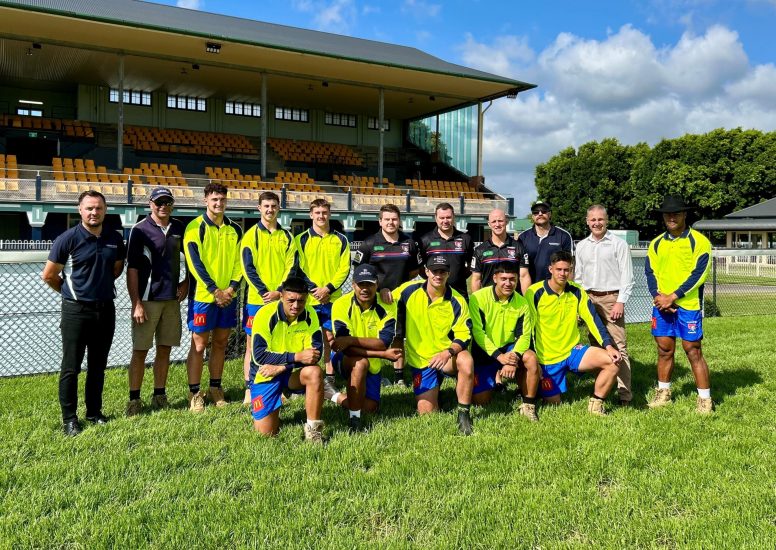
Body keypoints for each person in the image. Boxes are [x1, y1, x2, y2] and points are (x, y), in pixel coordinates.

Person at [41, 190, 126, 436]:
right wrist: (71, 293)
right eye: (89, 208)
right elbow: (48, 275)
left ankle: (94, 412)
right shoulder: (67, 239)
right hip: (76, 311)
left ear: (105, 210)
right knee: (71, 367)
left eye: (98, 208)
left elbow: (116, 269)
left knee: (98, 365)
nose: (93, 212)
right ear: (80, 210)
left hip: (105, 309)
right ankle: (69, 419)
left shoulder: (114, 238)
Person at [524, 250, 621, 416]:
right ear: (550, 269)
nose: (563, 273)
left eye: (567, 270)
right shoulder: (534, 292)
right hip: (547, 358)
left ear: (571, 271)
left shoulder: (577, 291)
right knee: (554, 403)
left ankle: (596, 404)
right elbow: (528, 329)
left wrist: (608, 345)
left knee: (612, 362)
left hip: (572, 351)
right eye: (559, 269)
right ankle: (539, 387)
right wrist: (534, 362)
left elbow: (593, 320)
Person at [645, 195, 713, 413]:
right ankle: (664, 393)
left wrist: (673, 296)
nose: (671, 217)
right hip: (662, 305)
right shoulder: (656, 244)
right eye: (667, 214)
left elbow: (699, 274)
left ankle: (705, 399)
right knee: (664, 349)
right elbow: (650, 272)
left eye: (676, 213)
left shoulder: (699, 242)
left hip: (687, 305)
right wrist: (658, 297)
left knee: (692, 350)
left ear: (685, 214)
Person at [395, 255, 475, 435]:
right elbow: (385, 298)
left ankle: (463, 414)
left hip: (447, 358)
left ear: (448, 274)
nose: (438, 275)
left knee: (466, 360)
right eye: (434, 271)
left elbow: (465, 334)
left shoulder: (457, 300)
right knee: (427, 414)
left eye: (443, 272)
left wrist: (447, 352)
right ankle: (437, 388)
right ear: (426, 272)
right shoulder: (408, 291)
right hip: (422, 360)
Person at [125, 187, 188, 416]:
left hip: (171, 299)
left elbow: (190, 258)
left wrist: (187, 282)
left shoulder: (179, 227)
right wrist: (136, 302)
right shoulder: (139, 230)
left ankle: (159, 394)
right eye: (158, 202)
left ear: (172, 204)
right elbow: (131, 268)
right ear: (150, 203)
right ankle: (134, 399)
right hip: (148, 299)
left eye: (167, 202)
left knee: (164, 349)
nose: (163, 206)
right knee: (140, 350)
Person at [183, 183, 243, 413]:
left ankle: (216, 388)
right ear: (205, 200)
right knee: (198, 345)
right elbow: (194, 262)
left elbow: (240, 262)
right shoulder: (194, 228)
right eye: (214, 199)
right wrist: (214, 290)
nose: (218, 203)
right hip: (203, 297)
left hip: (229, 296)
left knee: (220, 343)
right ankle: (195, 393)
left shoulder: (234, 229)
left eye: (222, 199)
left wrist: (231, 288)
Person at [248, 276, 324, 442]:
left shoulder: (311, 314)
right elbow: (259, 356)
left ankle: (313, 431)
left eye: (301, 301)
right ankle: (272, 410)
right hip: (265, 374)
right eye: (291, 300)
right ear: (281, 296)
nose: (296, 306)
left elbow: (315, 354)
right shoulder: (264, 315)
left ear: (307, 299)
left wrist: (282, 367)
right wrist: (296, 357)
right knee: (266, 434)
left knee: (315, 372)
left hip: (290, 373)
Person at [328, 264, 402, 432]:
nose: (365, 289)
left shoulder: (387, 305)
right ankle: (355, 420)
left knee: (371, 407)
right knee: (360, 363)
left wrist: (351, 339)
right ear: (353, 285)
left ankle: (334, 395)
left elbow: (383, 342)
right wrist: (383, 355)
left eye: (369, 284)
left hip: (373, 362)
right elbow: (344, 348)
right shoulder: (340, 304)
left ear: (377, 284)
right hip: (345, 359)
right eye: (361, 284)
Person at [574, 204, 635, 406]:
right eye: (593, 220)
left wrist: (620, 301)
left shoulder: (618, 244)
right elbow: (579, 278)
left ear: (606, 221)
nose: (597, 223)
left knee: (618, 346)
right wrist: (579, 305)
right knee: (597, 347)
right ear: (587, 221)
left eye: (600, 219)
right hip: (589, 299)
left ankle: (625, 395)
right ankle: (602, 390)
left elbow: (627, 277)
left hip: (611, 299)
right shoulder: (581, 246)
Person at [354, 203, 420, 386]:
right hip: (375, 299)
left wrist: (399, 290)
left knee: (399, 336)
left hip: (400, 299)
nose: (391, 223)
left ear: (399, 221)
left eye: (394, 219)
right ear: (380, 221)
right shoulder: (369, 244)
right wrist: (380, 287)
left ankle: (399, 376)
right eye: (387, 219)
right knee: (376, 337)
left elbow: (415, 271)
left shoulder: (409, 243)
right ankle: (376, 373)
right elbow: (359, 271)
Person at [240, 191, 296, 405]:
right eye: (266, 206)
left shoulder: (287, 237)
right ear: (259, 208)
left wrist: (280, 291)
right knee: (253, 345)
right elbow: (248, 267)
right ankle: (249, 387)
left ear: (278, 208)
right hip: (258, 300)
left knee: (278, 343)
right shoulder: (250, 236)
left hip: (280, 299)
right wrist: (266, 292)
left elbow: (292, 265)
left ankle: (278, 386)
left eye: (273, 206)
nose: (270, 210)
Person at [469, 263, 540, 420]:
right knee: (481, 402)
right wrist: (499, 357)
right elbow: (478, 333)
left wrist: (512, 359)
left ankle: (528, 403)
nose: (508, 283)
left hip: (509, 348)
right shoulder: (477, 298)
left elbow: (525, 335)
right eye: (503, 279)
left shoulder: (522, 303)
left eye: (512, 279)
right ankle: (495, 382)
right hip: (485, 351)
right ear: (495, 278)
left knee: (530, 358)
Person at [295, 198, 351, 399]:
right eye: (317, 213)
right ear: (311, 215)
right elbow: (298, 267)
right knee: (306, 338)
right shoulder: (300, 239)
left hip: (332, 298)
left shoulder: (341, 240)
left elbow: (344, 268)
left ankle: (329, 376)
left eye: (324, 213)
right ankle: (305, 377)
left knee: (330, 338)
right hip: (309, 300)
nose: (321, 216)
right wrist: (313, 289)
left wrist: (327, 288)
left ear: (329, 214)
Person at [419, 202, 474, 298]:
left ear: (454, 217)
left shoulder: (465, 239)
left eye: (448, 217)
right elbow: (420, 268)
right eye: (441, 218)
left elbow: (470, 266)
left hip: (459, 293)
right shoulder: (425, 240)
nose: (445, 221)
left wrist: (458, 277)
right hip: (434, 294)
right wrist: (434, 279)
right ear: (436, 218)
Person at [471, 208, 531, 295]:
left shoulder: (519, 247)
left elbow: (524, 276)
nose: (497, 224)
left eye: (500, 221)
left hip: (513, 301)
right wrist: (476, 303)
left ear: (506, 221)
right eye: (494, 221)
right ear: (489, 224)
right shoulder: (480, 250)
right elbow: (476, 279)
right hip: (489, 301)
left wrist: (527, 300)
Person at [518, 200, 573, 283]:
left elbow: (569, 266)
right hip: (530, 288)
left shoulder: (564, 236)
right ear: (532, 216)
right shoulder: (523, 237)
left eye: (543, 211)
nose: (540, 214)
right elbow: (521, 269)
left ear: (549, 214)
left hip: (555, 289)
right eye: (536, 212)